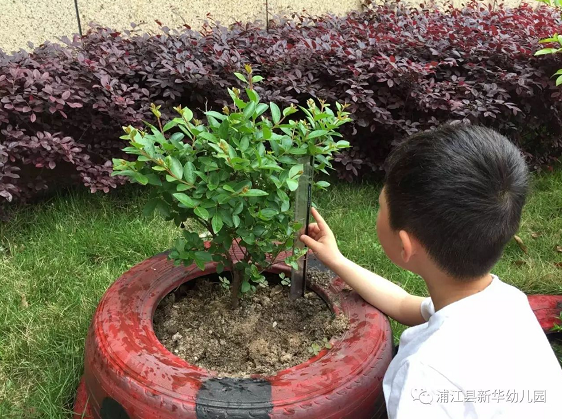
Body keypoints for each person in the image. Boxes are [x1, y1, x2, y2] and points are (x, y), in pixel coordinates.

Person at [299, 124, 562, 418]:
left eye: (379, 208)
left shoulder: (425, 376)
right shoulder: (506, 302)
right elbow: (403, 303)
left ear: (405, 246)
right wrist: (336, 260)